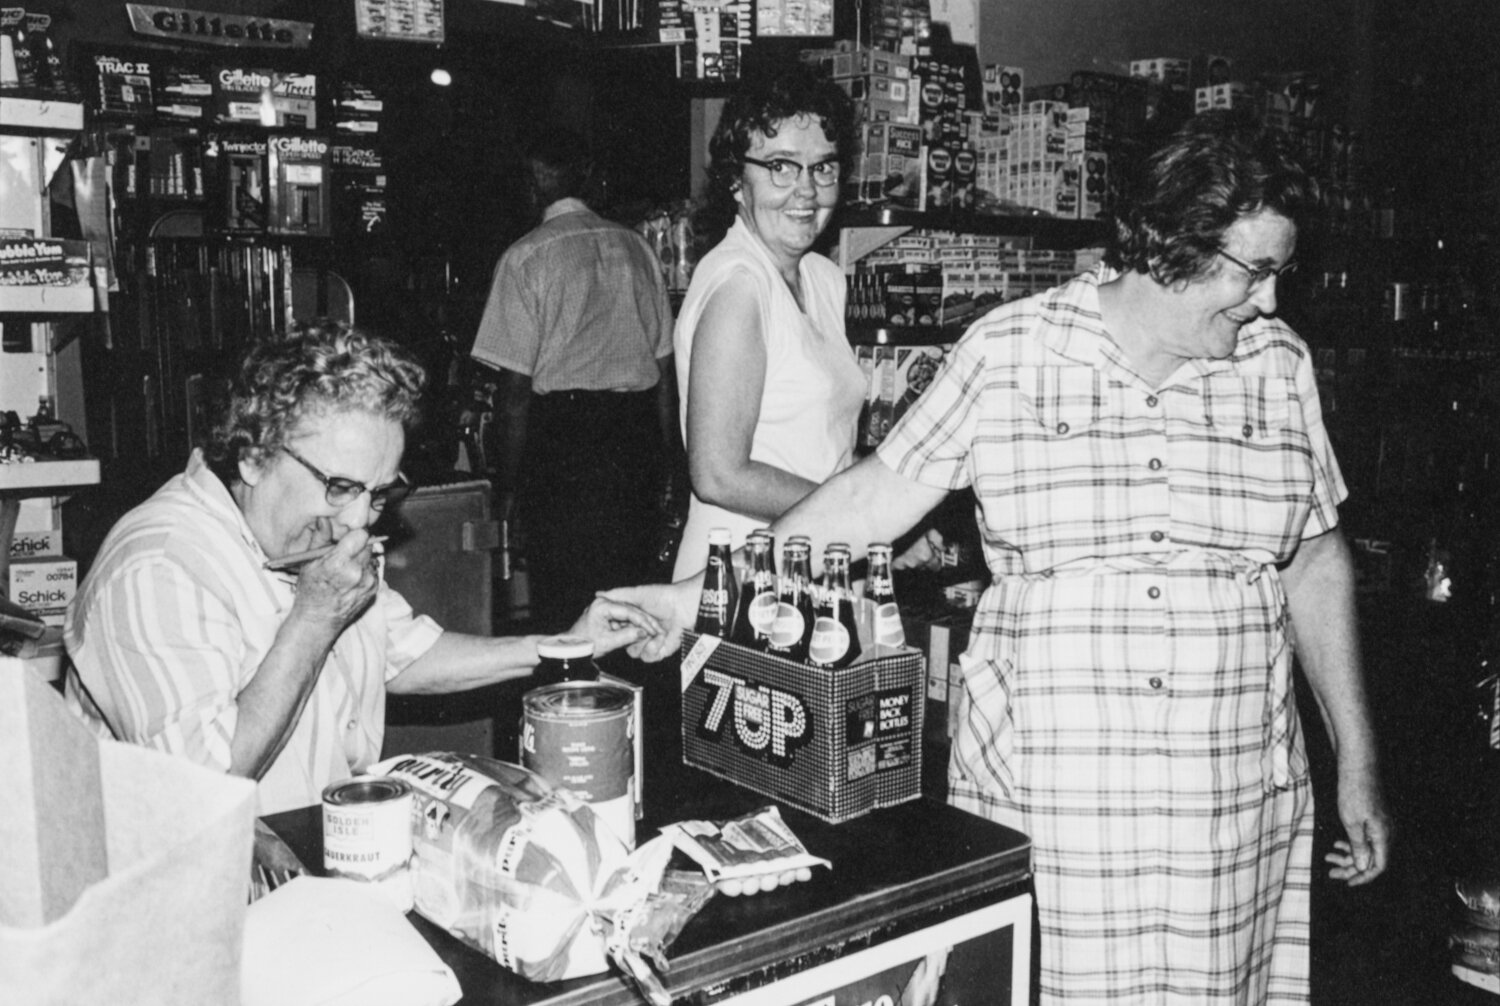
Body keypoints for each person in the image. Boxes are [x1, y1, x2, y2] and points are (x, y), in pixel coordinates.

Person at [614, 112, 1392, 1003]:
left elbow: (1315, 562)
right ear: (1174, 245)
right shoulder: (1013, 351)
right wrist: (689, 602)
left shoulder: (1278, 366)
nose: (1270, 301)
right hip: (1055, 801)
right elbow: (865, 501)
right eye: (1257, 271)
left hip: (1231, 808)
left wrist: (1358, 759)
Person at [64, 324, 666, 817]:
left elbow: (406, 653)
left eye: (378, 495)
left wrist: (570, 643)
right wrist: (313, 619)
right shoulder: (157, 567)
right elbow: (201, 786)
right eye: (339, 487)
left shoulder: (305, 537)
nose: (357, 522)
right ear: (253, 456)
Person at [470, 129, 679, 632]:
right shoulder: (637, 250)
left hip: (562, 449)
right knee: (633, 602)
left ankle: (575, 708)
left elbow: (515, 397)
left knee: (566, 610)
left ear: (532, 184)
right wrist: (673, 467)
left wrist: (510, 486)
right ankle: (635, 705)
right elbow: (666, 378)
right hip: (634, 445)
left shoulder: (525, 258)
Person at [670, 67, 866, 578]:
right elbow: (718, 474)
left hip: (816, 560)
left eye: (824, 167)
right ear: (737, 179)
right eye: (781, 166)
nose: (806, 190)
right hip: (742, 576)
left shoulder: (824, 279)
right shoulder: (739, 286)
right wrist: (862, 517)